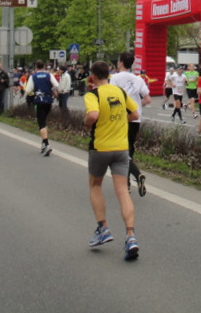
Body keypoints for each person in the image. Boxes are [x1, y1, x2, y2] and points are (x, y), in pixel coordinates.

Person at [84, 61, 140, 261]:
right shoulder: (119, 92)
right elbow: (134, 114)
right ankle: (131, 236)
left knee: (95, 186)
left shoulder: (92, 95)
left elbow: (93, 114)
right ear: (108, 74)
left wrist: (87, 123)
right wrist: (119, 121)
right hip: (121, 148)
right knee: (123, 191)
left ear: (92, 77)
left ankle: (103, 228)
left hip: (100, 148)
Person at [110, 52, 151, 196]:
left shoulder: (114, 78)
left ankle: (136, 174)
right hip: (136, 119)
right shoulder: (138, 79)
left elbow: (112, 97)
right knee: (129, 149)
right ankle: (126, 183)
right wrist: (138, 106)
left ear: (120, 63)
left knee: (120, 151)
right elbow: (147, 99)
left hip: (121, 119)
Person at [24, 60, 59, 156]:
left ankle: (47, 144)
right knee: (44, 120)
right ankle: (43, 143)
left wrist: (32, 91)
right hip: (48, 100)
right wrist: (50, 89)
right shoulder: (49, 75)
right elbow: (56, 85)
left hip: (39, 101)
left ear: (36, 67)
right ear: (44, 66)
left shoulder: (33, 76)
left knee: (41, 122)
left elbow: (28, 90)